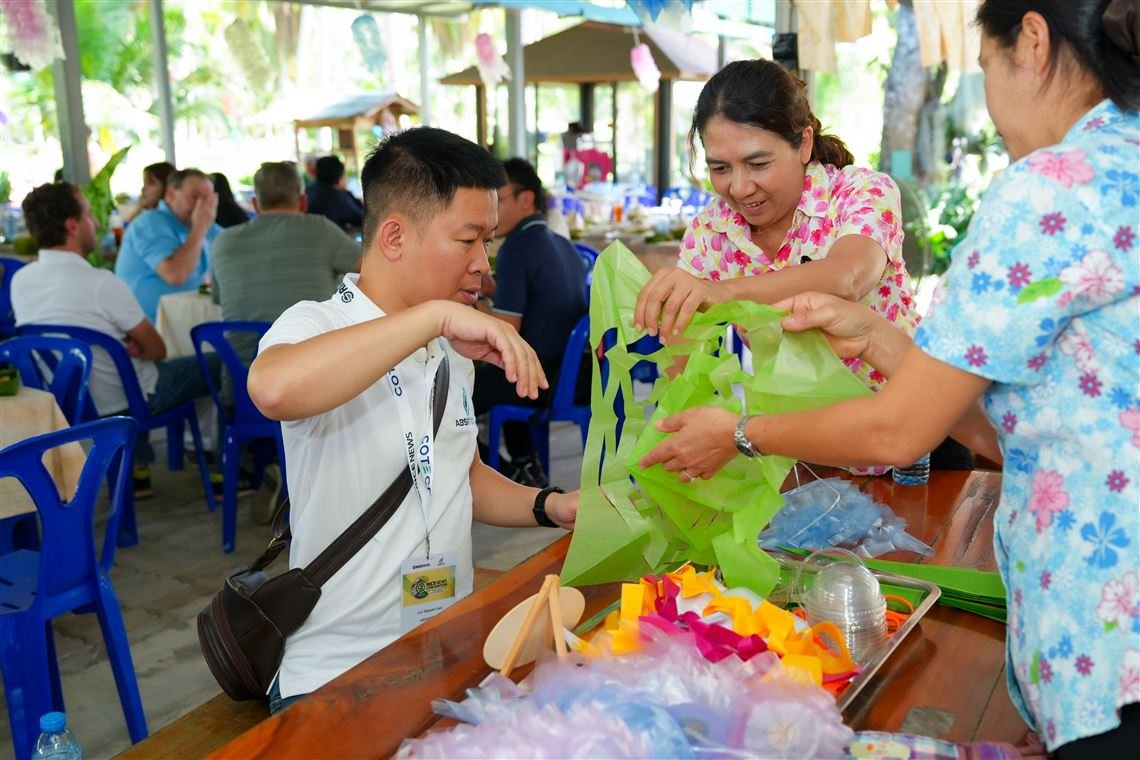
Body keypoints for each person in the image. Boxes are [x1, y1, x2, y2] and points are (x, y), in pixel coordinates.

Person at [640, 1, 1140, 755]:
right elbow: (1014, 429)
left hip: (1106, 625)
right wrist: (874, 336)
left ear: (1032, 42)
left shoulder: (1051, 189)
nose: (739, 186)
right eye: (720, 168)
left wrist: (740, 431)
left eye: (984, 67)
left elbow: (900, 426)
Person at [247, 127, 579, 713]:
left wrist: (550, 505)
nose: (483, 266)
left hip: (447, 645)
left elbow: (460, 476)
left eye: (488, 242)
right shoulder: (318, 323)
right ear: (395, 236)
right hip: (339, 671)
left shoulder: (450, 348)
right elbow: (273, 389)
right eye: (468, 240)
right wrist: (435, 319)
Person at [635, 58, 919, 394]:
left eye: (758, 164)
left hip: (899, 409)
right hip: (785, 419)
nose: (740, 188)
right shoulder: (711, 232)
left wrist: (720, 292)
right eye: (720, 169)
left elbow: (848, 277)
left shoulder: (860, 192)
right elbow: (682, 365)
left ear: (805, 143)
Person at [13, 182, 218, 497]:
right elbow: (157, 350)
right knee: (221, 364)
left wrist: (122, 345)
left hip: (68, 403)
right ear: (72, 226)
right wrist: (133, 346)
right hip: (127, 401)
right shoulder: (101, 283)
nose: (95, 223)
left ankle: (137, 468)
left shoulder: (20, 282)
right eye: (89, 215)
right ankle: (226, 467)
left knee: (128, 369)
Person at [474, 158, 588, 487]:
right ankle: (524, 463)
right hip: (575, 375)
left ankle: (507, 473)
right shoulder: (563, 244)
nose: (490, 209)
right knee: (503, 370)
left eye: (498, 198)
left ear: (526, 198)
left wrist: (469, 308)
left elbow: (505, 332)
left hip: (537, 379)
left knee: (446, 394)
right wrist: (493, 290)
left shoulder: (516, 248)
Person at [114, 168, 220, 321]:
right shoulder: (150, 223)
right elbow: (175, 275)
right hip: (152, 326)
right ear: (170, 194)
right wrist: (199, 228)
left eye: (208, 200)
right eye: (195, 196)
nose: (201, 206)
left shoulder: (207, 227)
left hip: (192, 319)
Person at [305, 155, 364, 230]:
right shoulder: (337, 198)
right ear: (340, 177)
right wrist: (346, 192)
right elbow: (362, 218)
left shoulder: (307, 191)